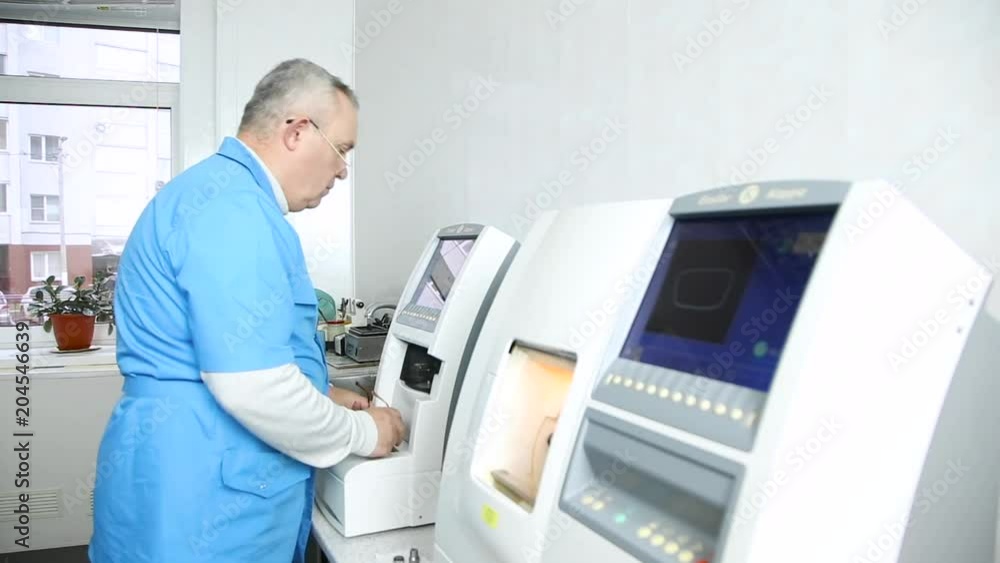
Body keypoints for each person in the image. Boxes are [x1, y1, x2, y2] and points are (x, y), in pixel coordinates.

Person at [89, 59, 406, 563]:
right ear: (297, 132)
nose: (343, 170)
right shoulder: (235, 211)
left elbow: (218, 351)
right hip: (204, 500)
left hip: (179, 472)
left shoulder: (216, 194)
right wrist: (368, 432)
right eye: (342, 150)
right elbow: (252, 386)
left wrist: (322, 395)